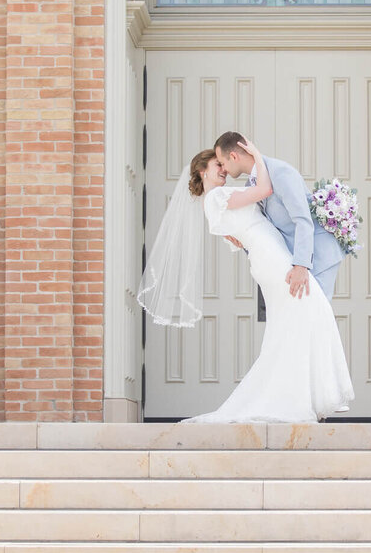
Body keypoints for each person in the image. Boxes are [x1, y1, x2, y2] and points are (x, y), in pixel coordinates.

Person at [137, 140, 353, 423]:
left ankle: (301, 394)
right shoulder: (216, 198)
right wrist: (258, 157)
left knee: (296, 321)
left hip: (269, 254)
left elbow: (237, 234)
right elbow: (263, 190)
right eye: (218, 166)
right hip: (272, 258)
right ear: (201, 171)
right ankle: (306, 394)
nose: (224, 171)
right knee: (312, 311)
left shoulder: (217, 201)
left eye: (224, 165)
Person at [214, 131, 345, 300]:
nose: (223, 169)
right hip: (292, 261)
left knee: (317, 317)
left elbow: (302, 219)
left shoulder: (279, 172)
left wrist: (301, 265)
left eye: (222, 163)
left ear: (233, 156)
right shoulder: (251, 186)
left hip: (318, 256)